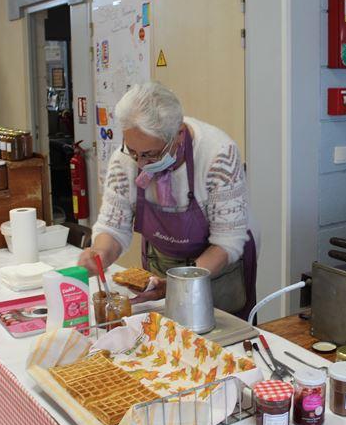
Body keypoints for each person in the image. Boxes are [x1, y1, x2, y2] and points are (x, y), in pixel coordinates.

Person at [77, 82, 257, 318]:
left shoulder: (218, 155)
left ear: (179, 135)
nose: (140, 163)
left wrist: (179, 283)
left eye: (151, 154)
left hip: (216, 267)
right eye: (133, 152)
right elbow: (113, 225)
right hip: (162, 261)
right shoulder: (125, 159)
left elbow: (227, 241)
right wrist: (100, 253)